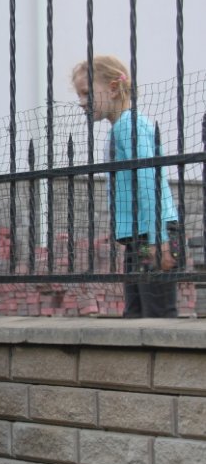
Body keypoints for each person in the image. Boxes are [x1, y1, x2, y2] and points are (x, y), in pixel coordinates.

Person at [71, 55, 181, 317]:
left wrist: (159, 240)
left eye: (86, 93)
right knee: (136, 312)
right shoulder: (118, 128)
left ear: (113, 88)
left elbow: (148, 182)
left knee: (158, 314)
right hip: (139, 237)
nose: (81, 102)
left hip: (154, 234)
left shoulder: (131, 126)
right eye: (79, 95)